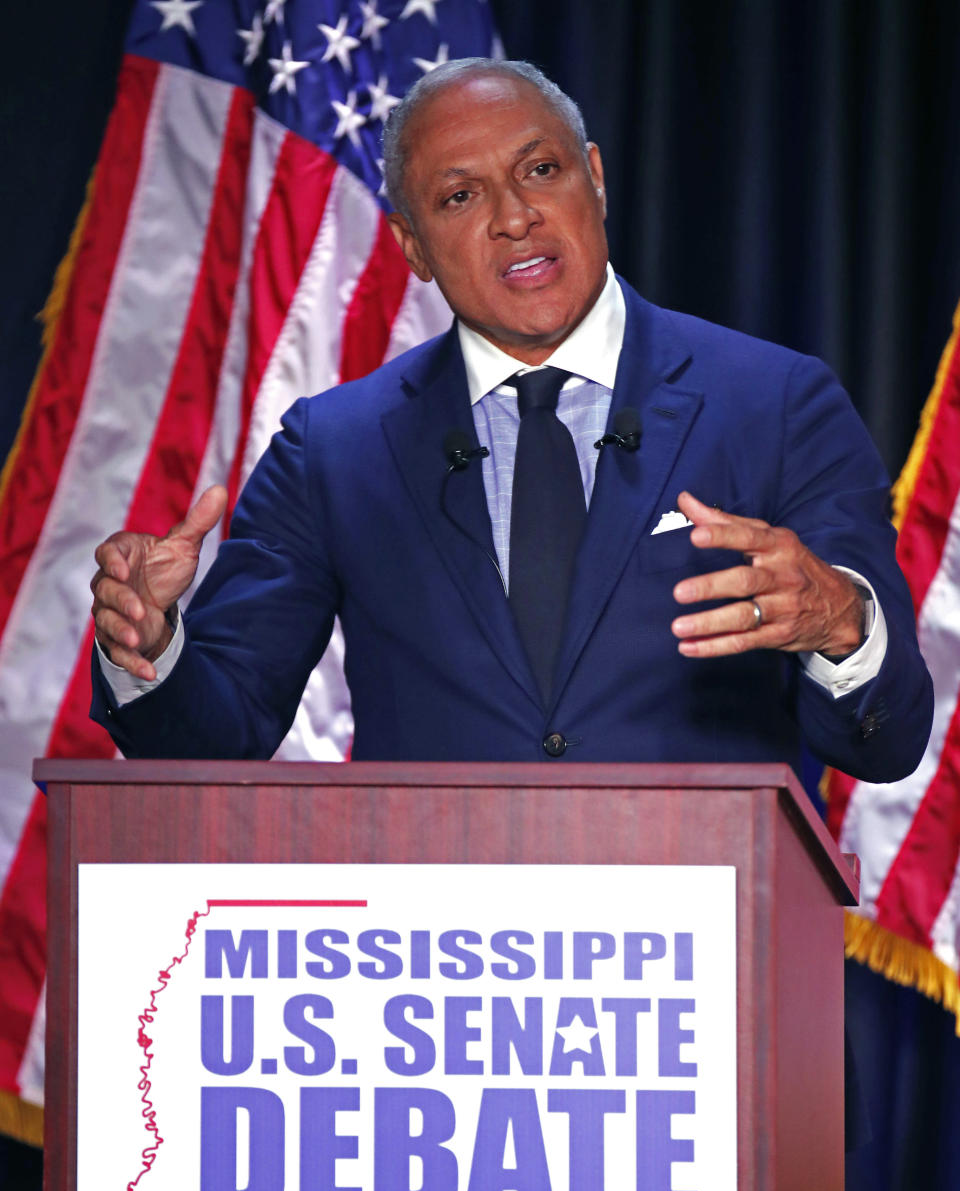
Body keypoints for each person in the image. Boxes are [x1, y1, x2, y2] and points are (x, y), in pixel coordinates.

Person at [89, 58, 932, 779]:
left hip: (708, 939)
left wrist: (839, 622)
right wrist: (149, 645)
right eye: (459, 196)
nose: (514, 217)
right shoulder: (333, 451)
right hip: (432, 953)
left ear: (594, 178)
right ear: (412, 246)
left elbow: (887, 742)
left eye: (540, 171)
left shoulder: (776, 404)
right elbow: (215, 737)